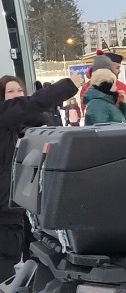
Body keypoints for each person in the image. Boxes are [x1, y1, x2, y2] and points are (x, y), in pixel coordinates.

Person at [0, 73, 83, 280]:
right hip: (6, 212)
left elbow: (36, 112)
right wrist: (68, 84)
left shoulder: (16, 124)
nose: (16, 96)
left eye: (19, 91)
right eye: (10, 92)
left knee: (29, 253)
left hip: (16, 206)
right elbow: (32, 104)